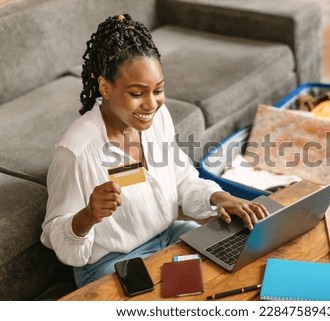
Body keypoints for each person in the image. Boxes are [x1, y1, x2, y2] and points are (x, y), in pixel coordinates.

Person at [40, 14, 269, 288]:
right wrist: (87, 216)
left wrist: (219, 196)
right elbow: (56, 232)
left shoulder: (157, 118)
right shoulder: (76, 151)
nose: (152, 104)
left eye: (158, 90)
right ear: (105, 87)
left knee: (240, 266)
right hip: (112, 262)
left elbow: (181, 177)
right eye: (137, 93)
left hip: (170, 235)